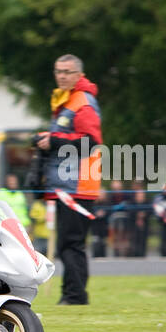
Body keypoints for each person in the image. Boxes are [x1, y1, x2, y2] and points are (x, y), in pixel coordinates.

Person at [37, 53, 102, 304]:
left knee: (70, 243)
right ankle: (72, 294)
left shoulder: (82, 102)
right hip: (66, 185)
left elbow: (91, 142)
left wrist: (53, 141)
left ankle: (75, 296)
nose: (61, 76)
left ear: (78, 75)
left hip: (79, 186)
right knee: (67, 243)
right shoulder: (65, 101)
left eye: (67, 72)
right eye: (58, 71)